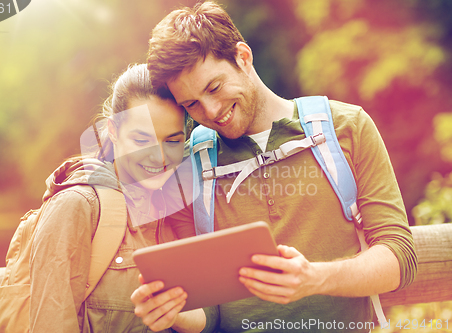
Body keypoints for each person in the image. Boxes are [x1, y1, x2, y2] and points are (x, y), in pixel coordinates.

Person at [131, 2, 417, 332]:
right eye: (191, 104)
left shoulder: (348, 128)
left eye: (214, 87)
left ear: (243, 57)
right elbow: (208, 314)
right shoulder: (188, 165)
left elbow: (400, 258)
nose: (210, 111)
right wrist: (174, 312)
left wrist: (316, 279)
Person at [27, 63, 204, 332]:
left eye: (172, 141)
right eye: (142, 140)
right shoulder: (77, 205)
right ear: (113, 130)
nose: (159, 157)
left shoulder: (176, 213)